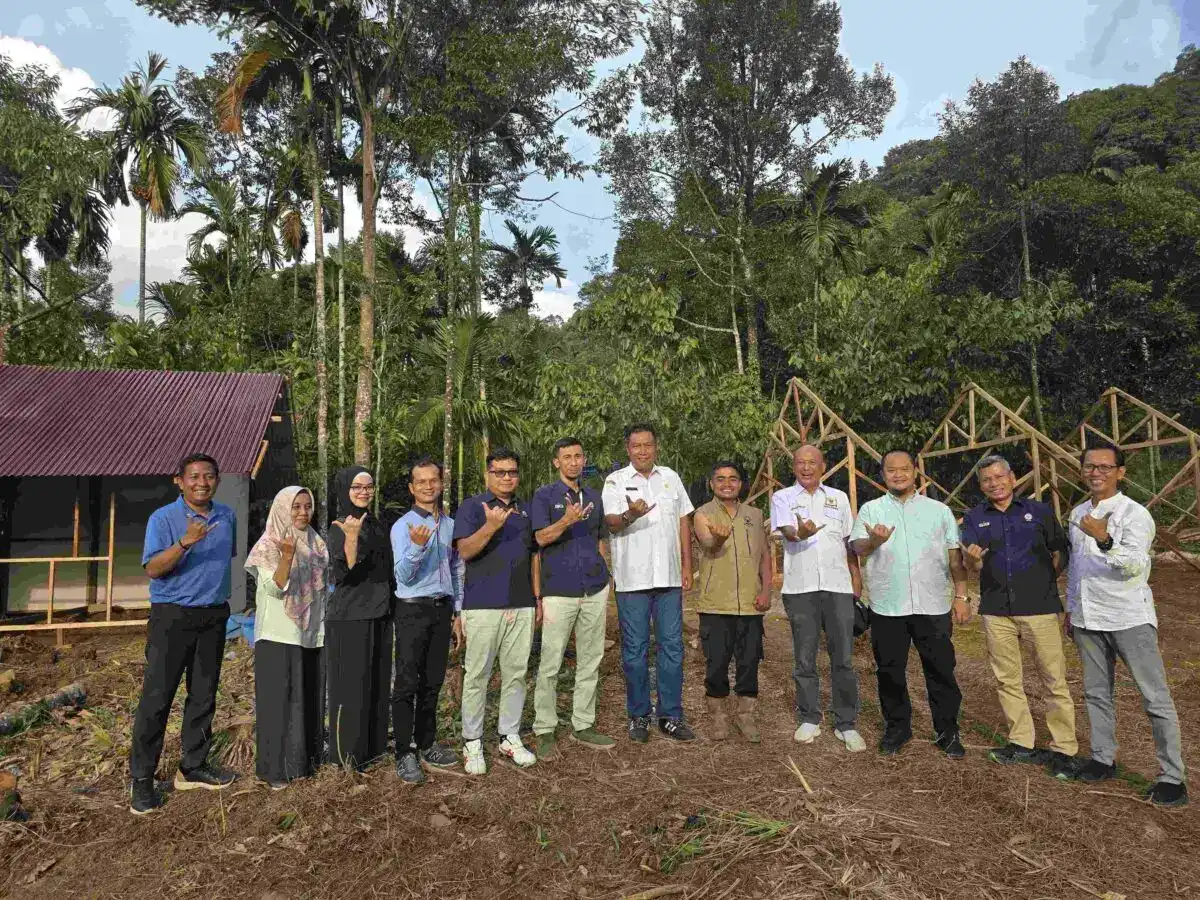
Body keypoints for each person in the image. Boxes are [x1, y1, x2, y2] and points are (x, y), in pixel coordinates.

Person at [1066, 443, 1188, 807]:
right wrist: (1072, 611)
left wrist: (1103, 538)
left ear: (1121, 472)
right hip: (1089, 619)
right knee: (1096, 693)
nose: (1096, 473)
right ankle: (1103, 757)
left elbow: (1136, 566)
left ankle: (1172, 777)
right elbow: (1077, 570)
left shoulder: (1135, 515)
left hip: (1128, 618)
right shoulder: (1077, 513)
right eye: (1090, 466)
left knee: (1155, 698)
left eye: (1105, 467)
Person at [129, 453, 239, 815]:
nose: (202, 483)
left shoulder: (227, 516)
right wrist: (185, 542)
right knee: (157, 698)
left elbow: (226, 561)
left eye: (209, 476)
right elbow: (153, 569)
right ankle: (142, 780)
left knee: (203, 695)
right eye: (194, 477)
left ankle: (192, 767)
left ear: (217, 481)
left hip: (213, 616)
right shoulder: (163, 519)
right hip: (172, 616)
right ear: (179, 481)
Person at [960, 456, 1077, 778]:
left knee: (1054, 679)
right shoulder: (974, 518)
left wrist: (1047, 580)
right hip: (997, 611)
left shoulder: (1038, 512)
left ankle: (1064, 747)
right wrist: (973, 564)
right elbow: (970, 564)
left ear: (1012, 478)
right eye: (987, 480)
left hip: (1040, 607)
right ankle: (1021, 742)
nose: (994, 483)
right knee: (1007, 679)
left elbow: (1061, 550)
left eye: (1000, 476)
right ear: (981, 485)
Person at [850, 449, 970, 758]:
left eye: (904, 469)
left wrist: (961, 595)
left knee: (941, 670)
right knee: (890, 671)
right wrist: (874, 541)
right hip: (889, 606)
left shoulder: (938, 511)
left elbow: (955, 558)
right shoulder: (871, 510)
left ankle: (947, 732)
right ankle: (897, 729)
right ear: (883, 474)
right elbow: (858, 548)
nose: (898, 474)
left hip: (933, 605)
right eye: (892, 470)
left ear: (915, 471)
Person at [602, 423, 696, 743]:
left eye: (648, 445)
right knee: (635, 651)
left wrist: (687, 564)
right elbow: (611, 524)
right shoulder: (615, 482)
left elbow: (684, 520)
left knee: (672, 647)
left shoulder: (670, 478)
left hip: (668, 579)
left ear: (656, 447)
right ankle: (638, 715)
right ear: (628, 449)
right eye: (636, 446)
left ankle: (670, 715)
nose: (643, 451)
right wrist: (630, 515)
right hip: (632, 581)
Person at [770, 445, 865, 752]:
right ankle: (809, 717)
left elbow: (849, 542)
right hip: (800, 589)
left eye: (812, 462)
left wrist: (856, 578)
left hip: (838, 587)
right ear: (794, 466)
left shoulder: (838, 498)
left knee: (844, 658)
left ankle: (846, 723)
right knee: (805, 657)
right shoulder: (783, 497)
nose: (806, 468)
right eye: (801, 463)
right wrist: (801, 533)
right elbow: (788, 532)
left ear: (823, 465)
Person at [453, 448, 538, 775]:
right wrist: (490, 526)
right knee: (477, 676)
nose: (507, 478)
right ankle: (472, 741)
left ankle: (509, 735)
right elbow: (465, 551)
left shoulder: (526, 510)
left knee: (516, 673)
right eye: (500, 472)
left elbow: (533, 557)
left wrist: (537, 598)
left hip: (521, 603)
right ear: (488, 475)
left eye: (512, 472)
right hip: (483, 605)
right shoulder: (473, 507)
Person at [531, 438, 615, 759]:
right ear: (556, 463)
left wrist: (606, 574)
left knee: (591, 659)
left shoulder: (594, 497)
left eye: (578, 456)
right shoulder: (544, 496)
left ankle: (583, 724)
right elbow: (539, 538)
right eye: (566, 457)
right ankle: (544, 729)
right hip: (558, 591)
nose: (573, 461)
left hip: (594, 589)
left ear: (584, 460)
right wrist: (566, 520)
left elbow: (599, 539)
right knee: (551, 663)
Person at [244, 486, 328, 789]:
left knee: (306, 698)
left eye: (307, 506)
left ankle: (302, 763)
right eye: (295, 507)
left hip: (309, 634)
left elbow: (321, 589)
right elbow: (275, 588)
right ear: (282, 509)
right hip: (278, 634)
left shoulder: (317, 543)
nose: (303, 513)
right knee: (278, 703)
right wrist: (287, 556)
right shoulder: (269, 544)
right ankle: (274, 769)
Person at [389, 458, 461, 784]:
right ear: (412, 488)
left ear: (441, 484)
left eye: (434, 480)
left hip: (442, 609)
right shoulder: (402, 526)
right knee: (406, 682)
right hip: (412, 609)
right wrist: (417, 548)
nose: (428, 486)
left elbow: (456, 570)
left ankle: (428, 742)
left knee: (433, 682)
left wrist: (457, 612)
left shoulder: (449, 525)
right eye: (422, 481)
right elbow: (402, 576)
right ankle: (405, 751)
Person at [693, 461, 772, 742]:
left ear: (741, 483)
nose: (727, 483)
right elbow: (707, 544)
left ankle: (746, 716)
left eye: (733, 479)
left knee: (749, 661)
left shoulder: (754, 513)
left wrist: (767, 591)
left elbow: (764, 556)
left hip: (751, 603)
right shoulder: (703, 514)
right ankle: (719, 717)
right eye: (720, 479)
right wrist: (716, 538)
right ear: (712, 484)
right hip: (715, 603)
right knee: (716, 663)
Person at [326, 466, 393, 770]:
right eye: (356, 487)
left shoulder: (376, 525)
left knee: (376, 683)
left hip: (379, 612)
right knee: (352, 687)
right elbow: (346, 570)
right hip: (351, 616)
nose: (364, 492)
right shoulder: (340, 524)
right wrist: (351, 537)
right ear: (344, 490)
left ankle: (372, 749)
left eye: (368, 487)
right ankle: (347, 755)